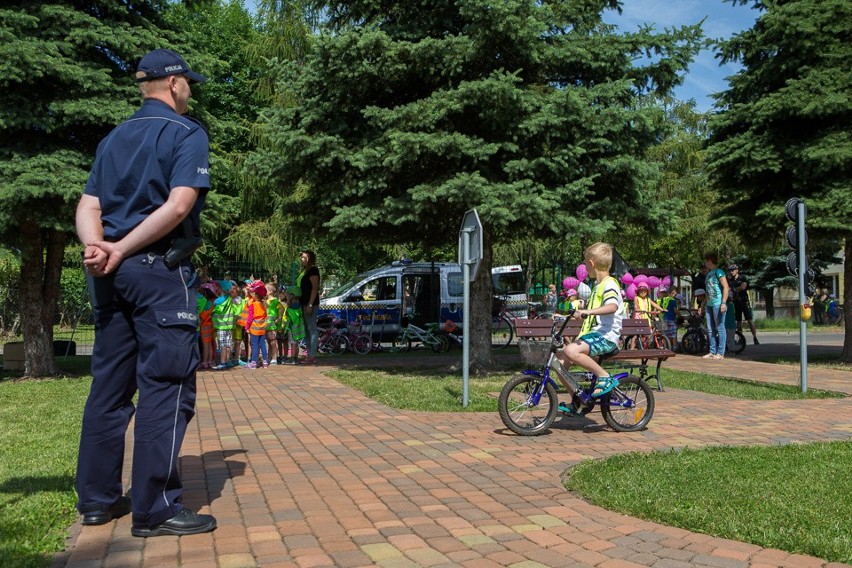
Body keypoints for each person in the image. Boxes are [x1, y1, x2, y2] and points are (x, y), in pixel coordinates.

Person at [75, 48, 216, 537]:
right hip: (159, 273)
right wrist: (122, 247)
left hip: (110, 277)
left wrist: (99, 248)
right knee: (167, 387)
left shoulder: (112, 139)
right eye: (189, 83)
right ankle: (154, 510)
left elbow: (88, 203)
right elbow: (179, 207)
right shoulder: (186, 133)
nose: (191, 92)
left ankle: (96, 501)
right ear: (174, 84)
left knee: (109, 388)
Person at [556, 242, 623, 399]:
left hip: (606, 337)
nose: (585, 268)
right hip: (595, 335)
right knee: (560, 368)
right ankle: (578, 401)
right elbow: (590, 314)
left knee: (570, 350)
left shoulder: (609, 284)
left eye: (586, 264)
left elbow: (612, 306)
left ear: (591, 263)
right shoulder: (597, 286)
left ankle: (604, 376)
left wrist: (587, 311)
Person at [702, 253, 730, 360]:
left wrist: (723, 303)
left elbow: (726, 287)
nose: (705, 263)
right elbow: (707, 292)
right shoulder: (709, 274)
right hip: (709, 304)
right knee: (710, 329)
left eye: (706, 261)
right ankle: (712, 351)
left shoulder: (719, 272)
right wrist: (702, 305)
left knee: (720, 327)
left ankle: (720, 352)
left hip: (718, 304)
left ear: (710, 261)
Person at [298, 250, 321, 363]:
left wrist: (310, 304)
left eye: (304, 257)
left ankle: (312, 354)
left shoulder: (313, 270)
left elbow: (315, 288)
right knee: (307, 329)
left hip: (310, 303)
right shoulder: (304, 270)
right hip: (303, 302)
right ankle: (309, 353)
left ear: (309, 258)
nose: (302, 259)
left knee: (312, 328)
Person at [728, 264, 759, 344]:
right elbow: (728, 290)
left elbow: (743, 287)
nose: (731, 272)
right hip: (736, 302)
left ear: (737, 270)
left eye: (733, 270)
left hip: (744, 301)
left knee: (749, 320)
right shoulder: (730, 280)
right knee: (738, 322)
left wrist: (733, 290)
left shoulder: (742, 277)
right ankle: (740, 339)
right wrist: (733, 290)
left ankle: (755, 337)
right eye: (730, 271)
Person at [211, 281, 237, 370]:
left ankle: (222, 363)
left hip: (221, 326)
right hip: (229, 326)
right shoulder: (230, 298)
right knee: (228, 345)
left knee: (222, 345)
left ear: (221, 289)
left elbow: (215, 310)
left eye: (217, 287)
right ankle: (227, 361)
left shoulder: (218, 301)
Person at [245, 280, 269, 368]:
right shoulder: (263, 305)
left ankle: (254, 362)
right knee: (262, 344)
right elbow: (265, 316)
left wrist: (247, 327)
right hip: (262, 329)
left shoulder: (253, 305)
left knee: (254, 345)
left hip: (254, 328)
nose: (251, 295)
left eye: (252, 293)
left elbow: (250, 318)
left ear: (256, 295)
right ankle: (265, 362)